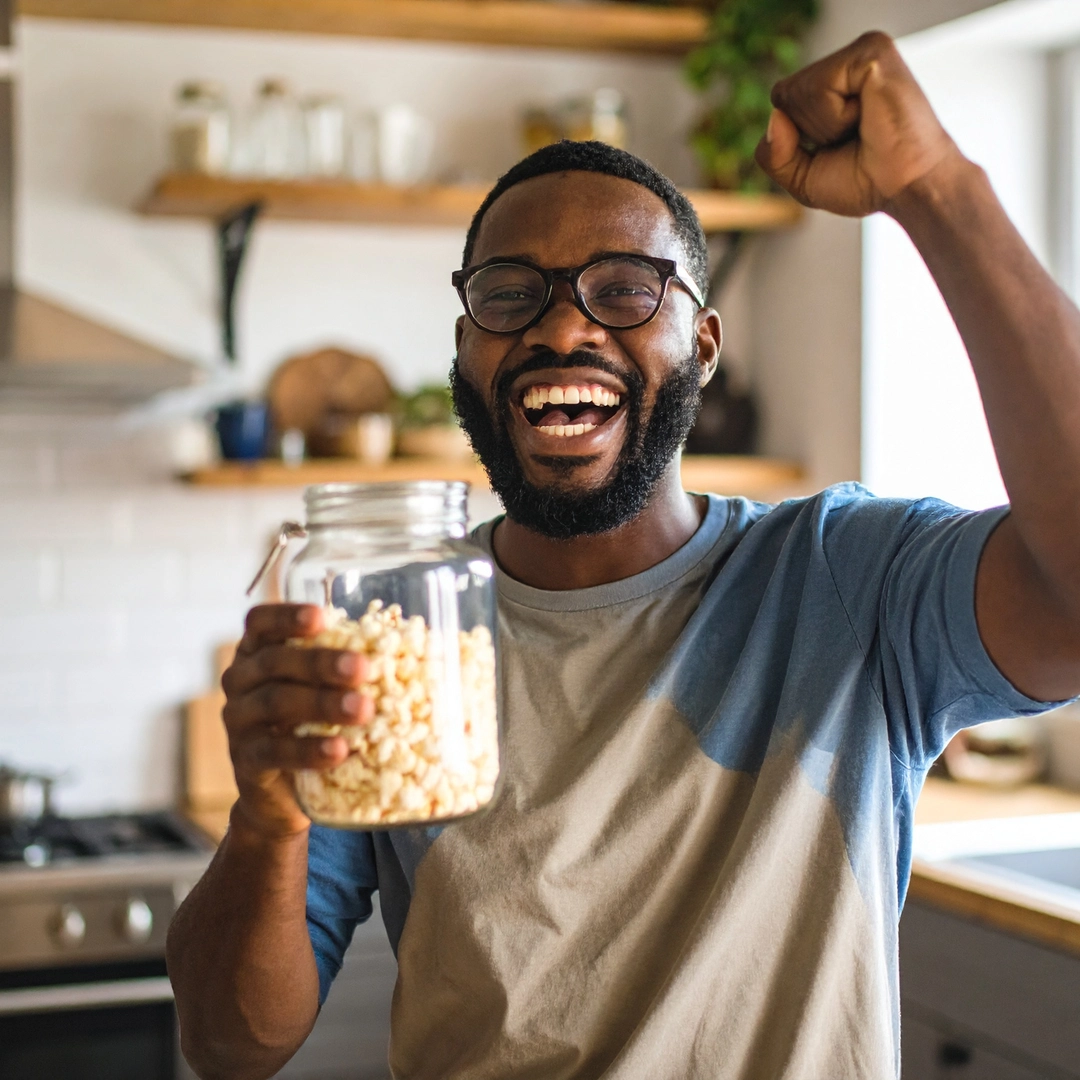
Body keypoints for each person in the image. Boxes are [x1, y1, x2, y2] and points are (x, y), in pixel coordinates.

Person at [167, 32, 1080, 1080]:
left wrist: (937, 188)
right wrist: (269, 817)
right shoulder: (403, 643)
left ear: (703, 345)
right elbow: (231, 1044)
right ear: (465, 346)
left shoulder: (844, 581)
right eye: (512, 294)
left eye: (626, 288)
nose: (563, 331)